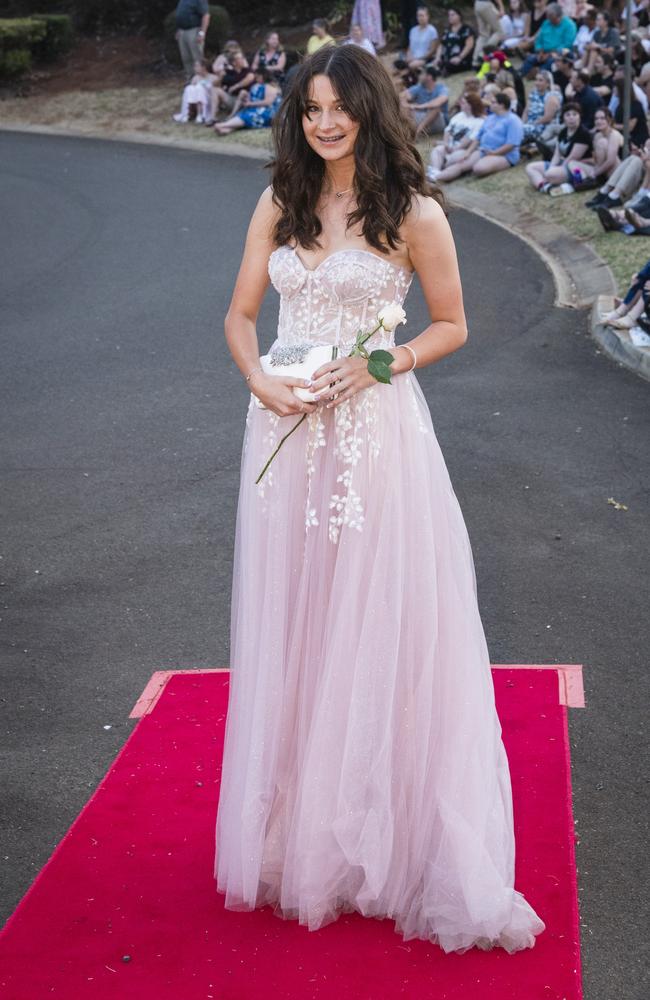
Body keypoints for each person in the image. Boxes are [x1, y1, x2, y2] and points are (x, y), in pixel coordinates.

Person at [214, 43, 546, 955]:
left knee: (378, 620)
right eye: (311, 107)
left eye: (339, 107)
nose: (324, 122)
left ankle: (387, 840)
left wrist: (379, 363)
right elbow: (242, 317)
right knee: (299, 620)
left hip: (371, 437)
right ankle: (298, 835)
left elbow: (451, 323)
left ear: (370, 109)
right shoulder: (279, 202)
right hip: (282, 427)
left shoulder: (414, 212)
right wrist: (262, 384)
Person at [525, 101, 591, 190]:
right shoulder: (563, 132)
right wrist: (551, 167)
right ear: (563, 118)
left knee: (550, 174)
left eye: (575, 114)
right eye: (568, 115)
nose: (571, 118)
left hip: (574, 167)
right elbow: (557, 155)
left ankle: (548, 182)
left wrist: (551, 171)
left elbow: (572, 158)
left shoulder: (583, 134)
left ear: (579, 116)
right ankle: (544, 186)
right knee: (530, 167)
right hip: (561, 164)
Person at [427, 91, 486, 179]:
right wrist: (446, 144)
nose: (460, 104)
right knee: (437, 150)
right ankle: (436, 171)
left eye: (463, 103)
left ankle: (439, 170)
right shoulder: (459, 115)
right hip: (449, 146)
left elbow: (470, 138)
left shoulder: (479, 121)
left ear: (471, 105)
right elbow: (447, 130)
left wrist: (455, 148)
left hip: (463, 149)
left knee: (455, 157)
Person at [213, 68, 282, 134]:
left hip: (268, 112)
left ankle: (223, 125)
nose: (256, 79)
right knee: (243, 113)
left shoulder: (271, 87)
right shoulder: (259, 85)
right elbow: (256, 97)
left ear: (262, 76)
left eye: (257, 77)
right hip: (258, 109)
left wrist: (250, 104)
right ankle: (228, 129)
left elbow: (268, 102)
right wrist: (247, 99)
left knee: (249, 115)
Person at [520, 2, 577, 76]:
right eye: (549, 18)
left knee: (551, 61)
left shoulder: (570, 25)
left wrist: (550, 53)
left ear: (560, 16)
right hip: (543, 52)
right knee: (530, 59)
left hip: (559, 53)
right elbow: (539, 39)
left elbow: (567, 44)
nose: (550, 21)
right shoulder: (547, 23)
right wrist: (540, 50)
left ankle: (538, 73)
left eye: (553, 19)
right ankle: (523, 73)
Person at [401, 65, 449, 135]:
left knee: (436, 109)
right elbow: (402, 96)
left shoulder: (441, 88)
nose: (419, 76)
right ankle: (409, 131)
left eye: (422, 74)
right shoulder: (419, 88)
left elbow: (438, 102)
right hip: (423, 118)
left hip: (439, 121)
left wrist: (417, 106)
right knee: (404, 109)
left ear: (429, 77)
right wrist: (405, 103)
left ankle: (417, 133)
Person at [520, 69, 561, 144]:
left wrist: (530, 125)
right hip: (530, 124)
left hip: (543, 127)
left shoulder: (552, 97)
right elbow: (526, 111)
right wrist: (522, 123)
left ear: (548, 83)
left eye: (540, 80)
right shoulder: (534, 93)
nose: (537, 83)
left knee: (516, 130)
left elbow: (547, 118)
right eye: (536, 80)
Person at [174, 0, 210, 82]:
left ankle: (200, 80)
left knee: (197, 58)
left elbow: (206, 15)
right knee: (186, 58)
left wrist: (202, 33)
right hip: (182, 31)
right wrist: (179, 29)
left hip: (194, 30)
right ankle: (190, 80)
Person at [172, 58, 215, 123]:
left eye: (197, 66)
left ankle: (201, 114)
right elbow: (191, 92)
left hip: (208, 100)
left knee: (199, 88)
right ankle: (187, 113)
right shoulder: (195, 78)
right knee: (189, 88)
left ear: (204, 67)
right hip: (196, 100)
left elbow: (214, 91)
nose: (195, 68)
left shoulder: (213, 77)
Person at [433, 7, 475, 74]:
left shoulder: (466, 29)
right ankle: (440, 69)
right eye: (449, 15)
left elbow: (469, 45)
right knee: (432, 65)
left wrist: (459, 57)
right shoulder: (447, 30)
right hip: (446, 59)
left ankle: (443, 70)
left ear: (459, 16)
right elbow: (441, 45)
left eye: (453, 15)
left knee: (451, 65)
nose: (450, 17)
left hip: (460, 59)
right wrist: (437, 58)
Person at [473, 0, 505, 66]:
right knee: (499, 32)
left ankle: (475, 62)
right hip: (486, 4)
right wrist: (501, 8)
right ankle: (482, 54)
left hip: (477, 4)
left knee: (483, 35)